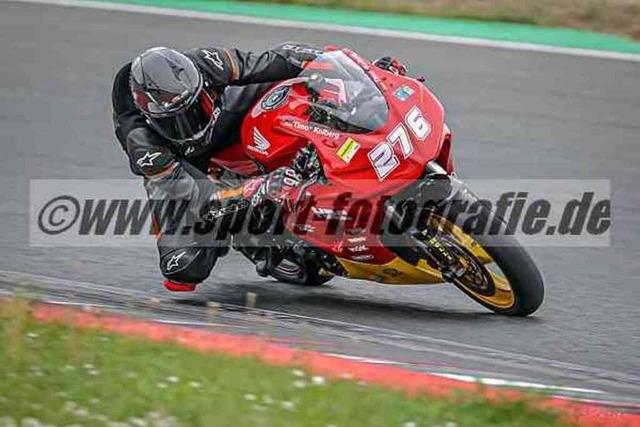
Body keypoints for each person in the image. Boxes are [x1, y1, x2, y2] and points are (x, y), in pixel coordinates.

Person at [111, 42, 406, 292]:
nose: (194, 120)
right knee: (183, 267)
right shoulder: (144, 145)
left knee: (302, 81)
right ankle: (253, 236)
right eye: (179, 118)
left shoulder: (206, 64)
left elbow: (281, 58)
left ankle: (334, 148)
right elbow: (197, 197)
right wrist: (254, 189)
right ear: (150, 116)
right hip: (185, 165)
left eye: (199, 104)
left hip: (228, 116)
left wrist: (367, 76)